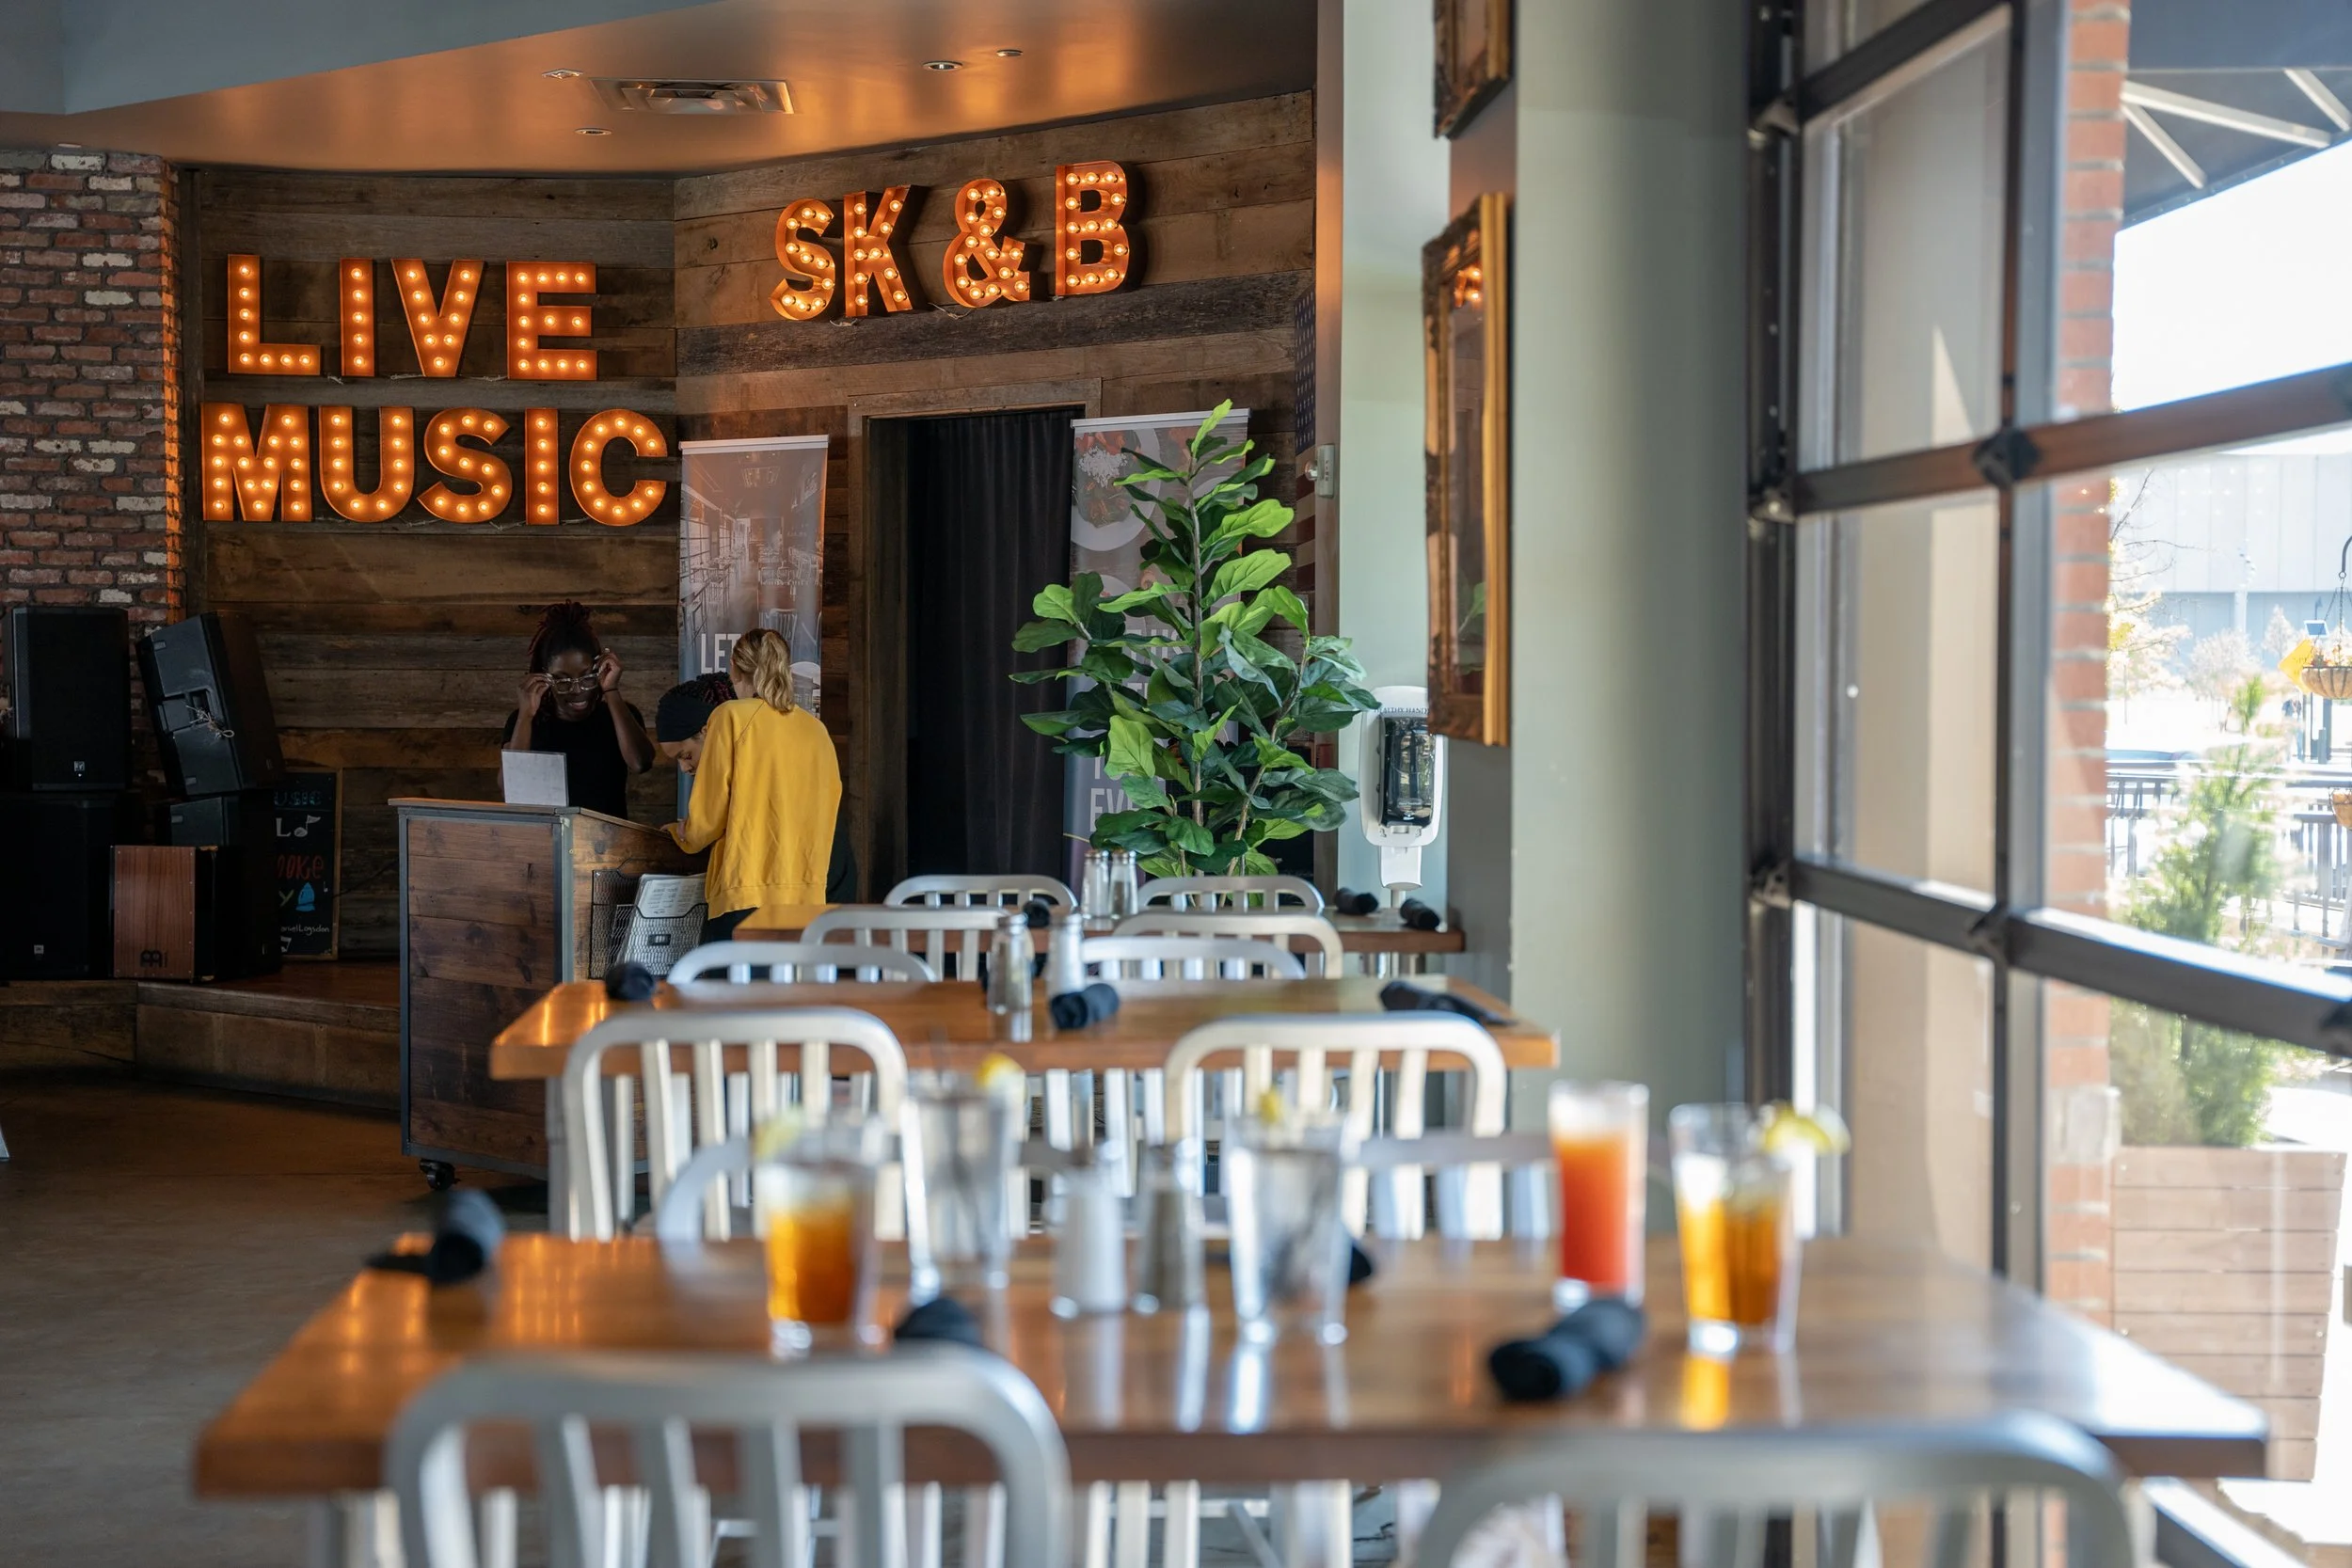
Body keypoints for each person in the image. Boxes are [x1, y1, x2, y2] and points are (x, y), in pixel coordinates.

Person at [668, 628, 844, 942]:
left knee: (728, 989)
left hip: (745, 894)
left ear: (734, 666)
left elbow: (708, 817)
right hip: (807, 902)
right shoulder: (817, 732)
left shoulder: (729, 716)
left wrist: (683, 833)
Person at [501, 601, 653, 818]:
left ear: (599, 671)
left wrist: (611, 689)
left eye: (586, 678)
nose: (577, 690)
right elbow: (509, 788)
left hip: (605, 843)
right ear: (544, 678)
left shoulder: (617, 715)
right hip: (546, 840)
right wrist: (526, 715)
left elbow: (640, 763)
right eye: (562, 682)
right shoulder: (526, 720)